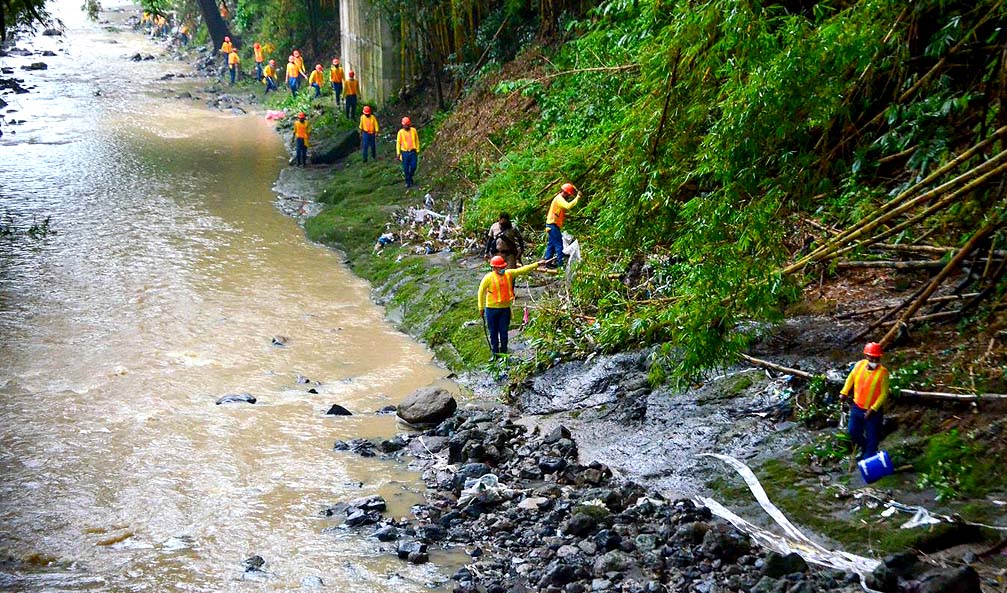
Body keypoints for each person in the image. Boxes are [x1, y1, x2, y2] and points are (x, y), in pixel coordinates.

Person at [478, 256, 545, 359]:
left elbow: (522, 270)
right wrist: (481, 308)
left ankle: (504, 353)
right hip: (491, 309)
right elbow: (481, 292)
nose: (502, 269)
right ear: (494, 268)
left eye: (503, 267)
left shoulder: (508, 274)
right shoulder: (488, 278)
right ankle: (495, 354)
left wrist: (537, 264)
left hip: (505, 309)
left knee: (504, 332)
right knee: (493, 333)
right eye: (500, 267)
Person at [840, 342, 891, 459]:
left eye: (876, 358)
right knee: (853, 432)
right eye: (871, 358)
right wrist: (844, 392)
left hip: (873, 413)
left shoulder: (883, 373)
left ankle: (869, 461)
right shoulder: (859, 365)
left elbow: (884, 394)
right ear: (866, 356)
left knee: (872, 438)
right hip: (857, 407)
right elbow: (851, 378)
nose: (874, 360)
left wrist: (873, 409)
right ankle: (864, 448)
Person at [544, 182, 580, 268]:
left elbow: (558, 212)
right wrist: (578, 197)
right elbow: (568, 206)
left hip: (551, 224)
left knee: (551, 245)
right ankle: (561, 265)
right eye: (569, 195)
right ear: (566, 193)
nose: (569, 197)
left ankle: (547, 262)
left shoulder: (558, 198)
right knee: (559, 245)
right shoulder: (559, 199)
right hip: (553, 225)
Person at [396, 116, 420, 188]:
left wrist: (417, 149)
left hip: (413, 152)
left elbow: (417, 140)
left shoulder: (413, 130)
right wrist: (398, 153)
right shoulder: (400, 132)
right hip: (405, 153)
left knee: (414, 166)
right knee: (406, 168)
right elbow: (398, 143)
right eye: (405, 125)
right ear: (403, 125)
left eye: (408, 125)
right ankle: (408, 182)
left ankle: (410, 177)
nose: (406, 126)